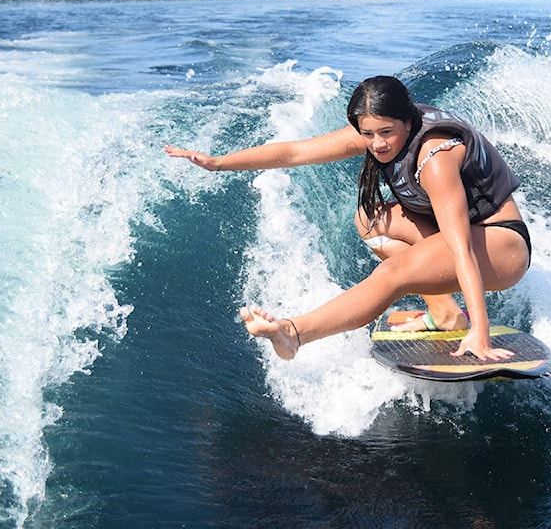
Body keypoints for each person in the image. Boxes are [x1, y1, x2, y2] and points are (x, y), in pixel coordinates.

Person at [164, 76, 531, 361]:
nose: (378, 144)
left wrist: (480, 332)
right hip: (462, 233)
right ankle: (447, 315)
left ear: (407, 121)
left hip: (502, 244)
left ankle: (294, 333)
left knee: (393, 275)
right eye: (368, 134)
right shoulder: (376, 131)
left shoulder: (435, 158)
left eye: (387, 132)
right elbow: (295, 152)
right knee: (370, 220)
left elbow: (461, 248)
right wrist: (220, 163)